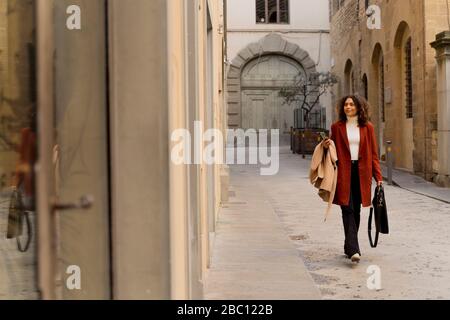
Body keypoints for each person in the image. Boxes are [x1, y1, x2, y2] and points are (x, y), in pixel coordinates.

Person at [323, 95, 383, 263]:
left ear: (358, 107)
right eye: (346, 105)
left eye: (351, 104)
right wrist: (326, 145)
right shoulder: (337, 127)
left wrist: (378, 177)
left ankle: (348, 244)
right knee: (346, 207)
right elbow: (332, 151)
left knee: (356, 210)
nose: (348, 107)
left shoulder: (367, 127)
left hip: (362, 172)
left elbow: (373, 154)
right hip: (343, 172)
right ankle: (354, 249)